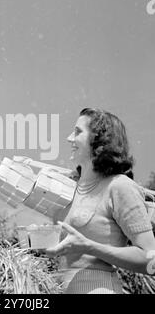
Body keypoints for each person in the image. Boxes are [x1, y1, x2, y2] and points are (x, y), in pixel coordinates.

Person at [46, 108, 155, 294]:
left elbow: (150, 259)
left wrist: (89, 247)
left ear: (98, 141)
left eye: (78, 132)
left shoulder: (120, 186)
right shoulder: (73, 186)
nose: (69, 138)